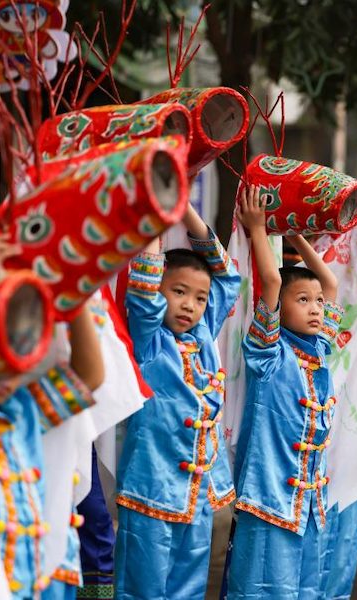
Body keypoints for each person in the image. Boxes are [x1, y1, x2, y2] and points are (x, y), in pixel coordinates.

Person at [0, 232, 104, 598]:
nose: (4, 367)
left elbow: (90, 374)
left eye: (15, 354)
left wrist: (74, 290)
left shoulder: (24, 414)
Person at [114, 200, 241, 600]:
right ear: (159, 290)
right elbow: (145, 283)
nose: (190, 304)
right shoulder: (150, 341)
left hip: (198, 495)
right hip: (150, 490)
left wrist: (184, 205)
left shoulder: (204, 333)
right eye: (178, 292)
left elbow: (226, 277)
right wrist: (155, 206)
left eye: (199, 298)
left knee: (188, 589)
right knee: (142, 591)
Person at [226, 187, 344, 598]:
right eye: (303, 301)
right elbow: (273, 280)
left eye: (316, 303)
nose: (315, 308)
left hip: (309, 503)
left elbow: (328, 282)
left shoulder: (319, 350)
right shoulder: (269, 354)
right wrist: (261, 229)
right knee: (260, 590)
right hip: (270, 499)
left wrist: (295, 235)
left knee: (304, 590)